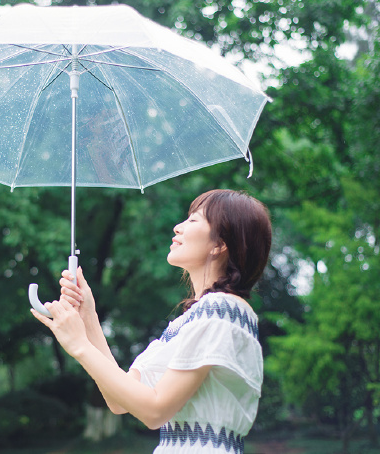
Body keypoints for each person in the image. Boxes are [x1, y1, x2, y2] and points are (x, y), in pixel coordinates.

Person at [31, 189, 272, 454]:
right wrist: (89, 317)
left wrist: (79, 345)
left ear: (220, 244)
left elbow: (155, 411)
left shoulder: (221, 310)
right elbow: (120, 400)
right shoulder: (192, 320)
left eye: (193, 220)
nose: (178, 227)